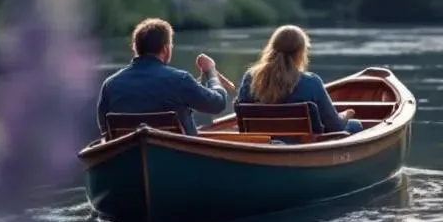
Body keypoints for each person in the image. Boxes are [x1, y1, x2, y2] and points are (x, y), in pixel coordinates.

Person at [96, 18, 232, 136]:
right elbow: (218, 104)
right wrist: (211, 72)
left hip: (128, 158)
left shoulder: (110, 85)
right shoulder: (180, 80)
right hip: (181, 156)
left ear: (136, 48)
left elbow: (105, 129)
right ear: (166, 49)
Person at [236, 25, 363, 135]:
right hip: (303, 147)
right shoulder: (312, 82)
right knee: (355, 125)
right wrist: (344, 116)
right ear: (301, 52)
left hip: (260, 144)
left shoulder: (250, 78)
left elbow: (239, 113)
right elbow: (336, 128)